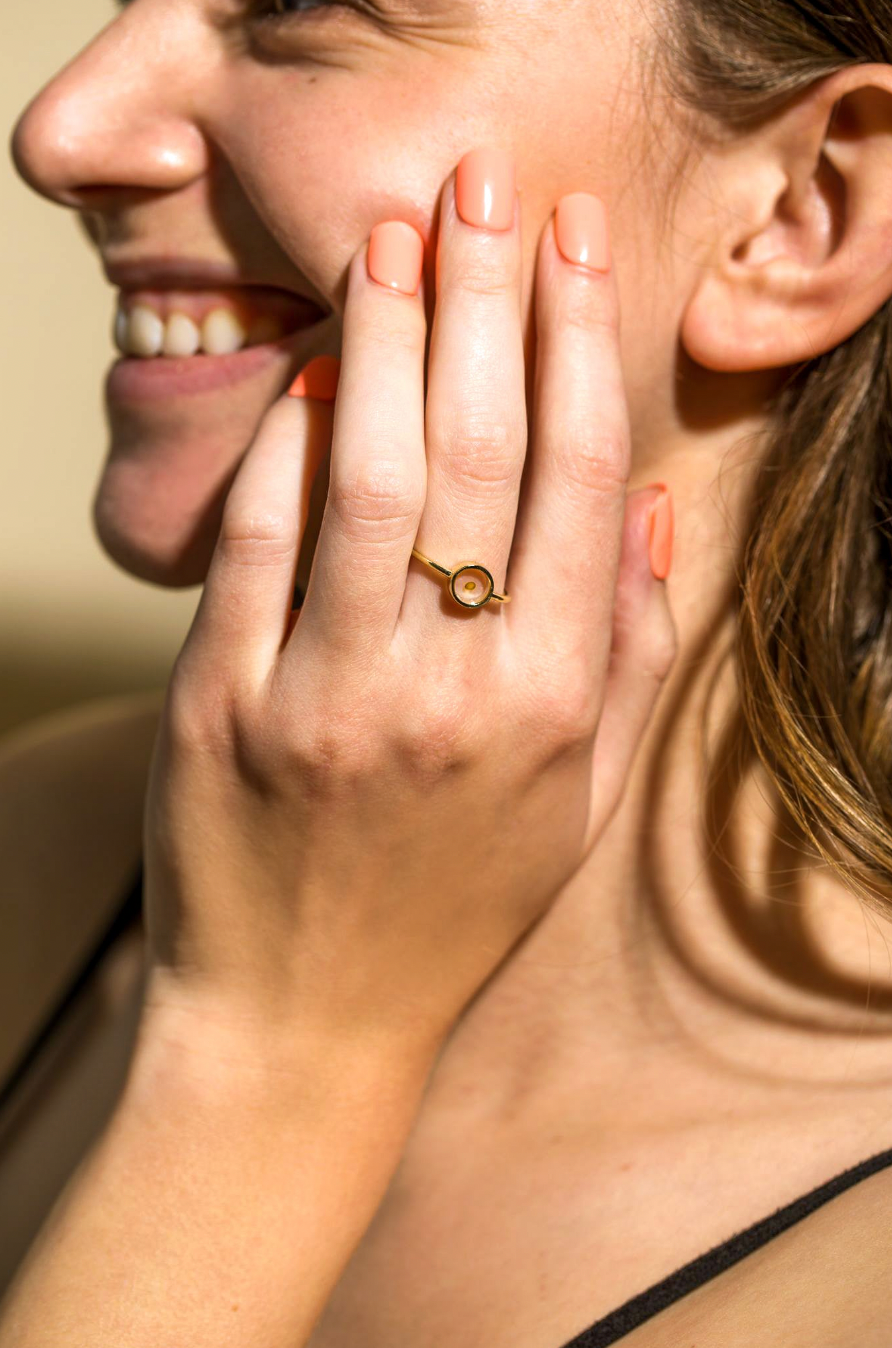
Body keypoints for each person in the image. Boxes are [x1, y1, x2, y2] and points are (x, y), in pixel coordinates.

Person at [3, 0, 892, 1341]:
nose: (62, 130)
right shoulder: (39, 851)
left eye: (305, 6)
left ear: (794, 215)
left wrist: (273, 1060)